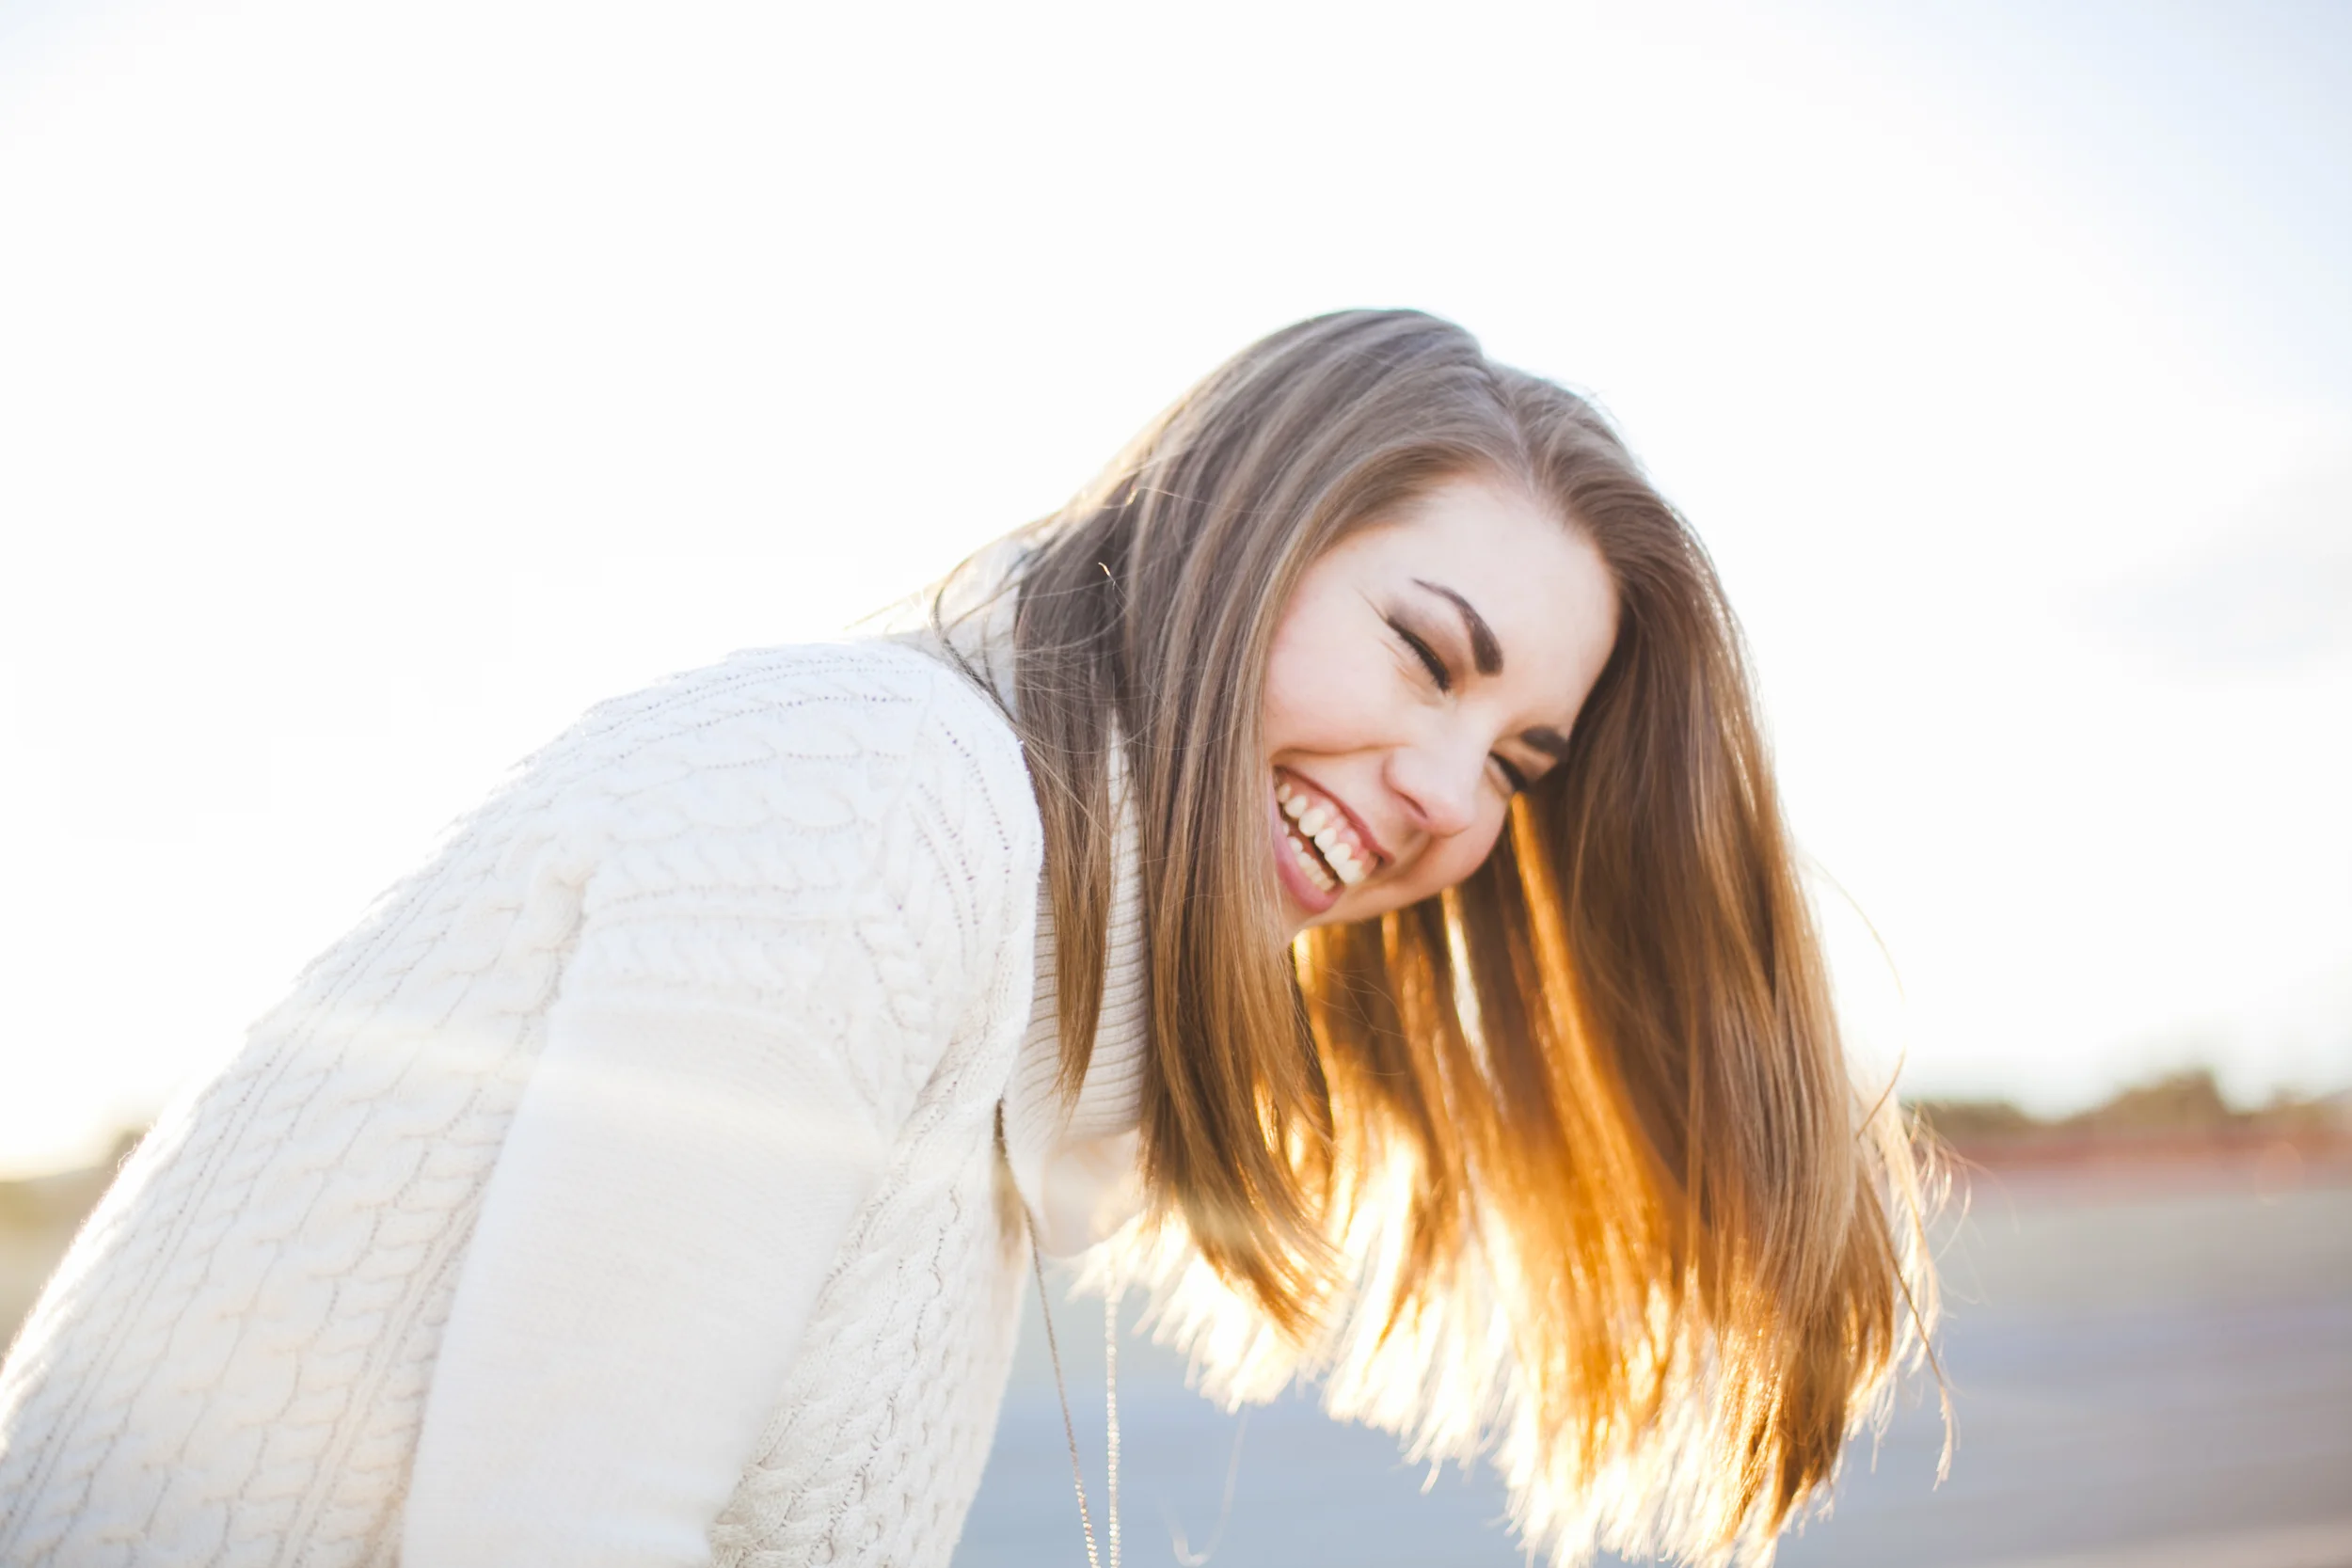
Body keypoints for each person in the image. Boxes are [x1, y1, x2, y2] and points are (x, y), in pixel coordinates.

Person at [0, 309, 1936, 1567]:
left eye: (1518, 760)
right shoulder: (876, 803)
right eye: (1424, 655)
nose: (1446, 795)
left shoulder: (1018, 998)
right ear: (1235, 538)